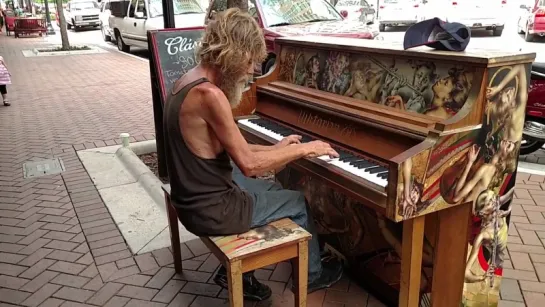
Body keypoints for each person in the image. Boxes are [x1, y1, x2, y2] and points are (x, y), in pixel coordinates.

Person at [162, 8, 344, 301]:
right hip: (212, 211)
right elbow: (250, 165)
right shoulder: (211, 95)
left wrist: (276, 149)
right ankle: (312, 277)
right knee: (297, 201)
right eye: (250, 60)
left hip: (191, 198)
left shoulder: (188, 81)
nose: (253, 70)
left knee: (269, 189)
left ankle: (243, 277)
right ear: (234, 53)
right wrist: (306, 148)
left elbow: (233, 149)